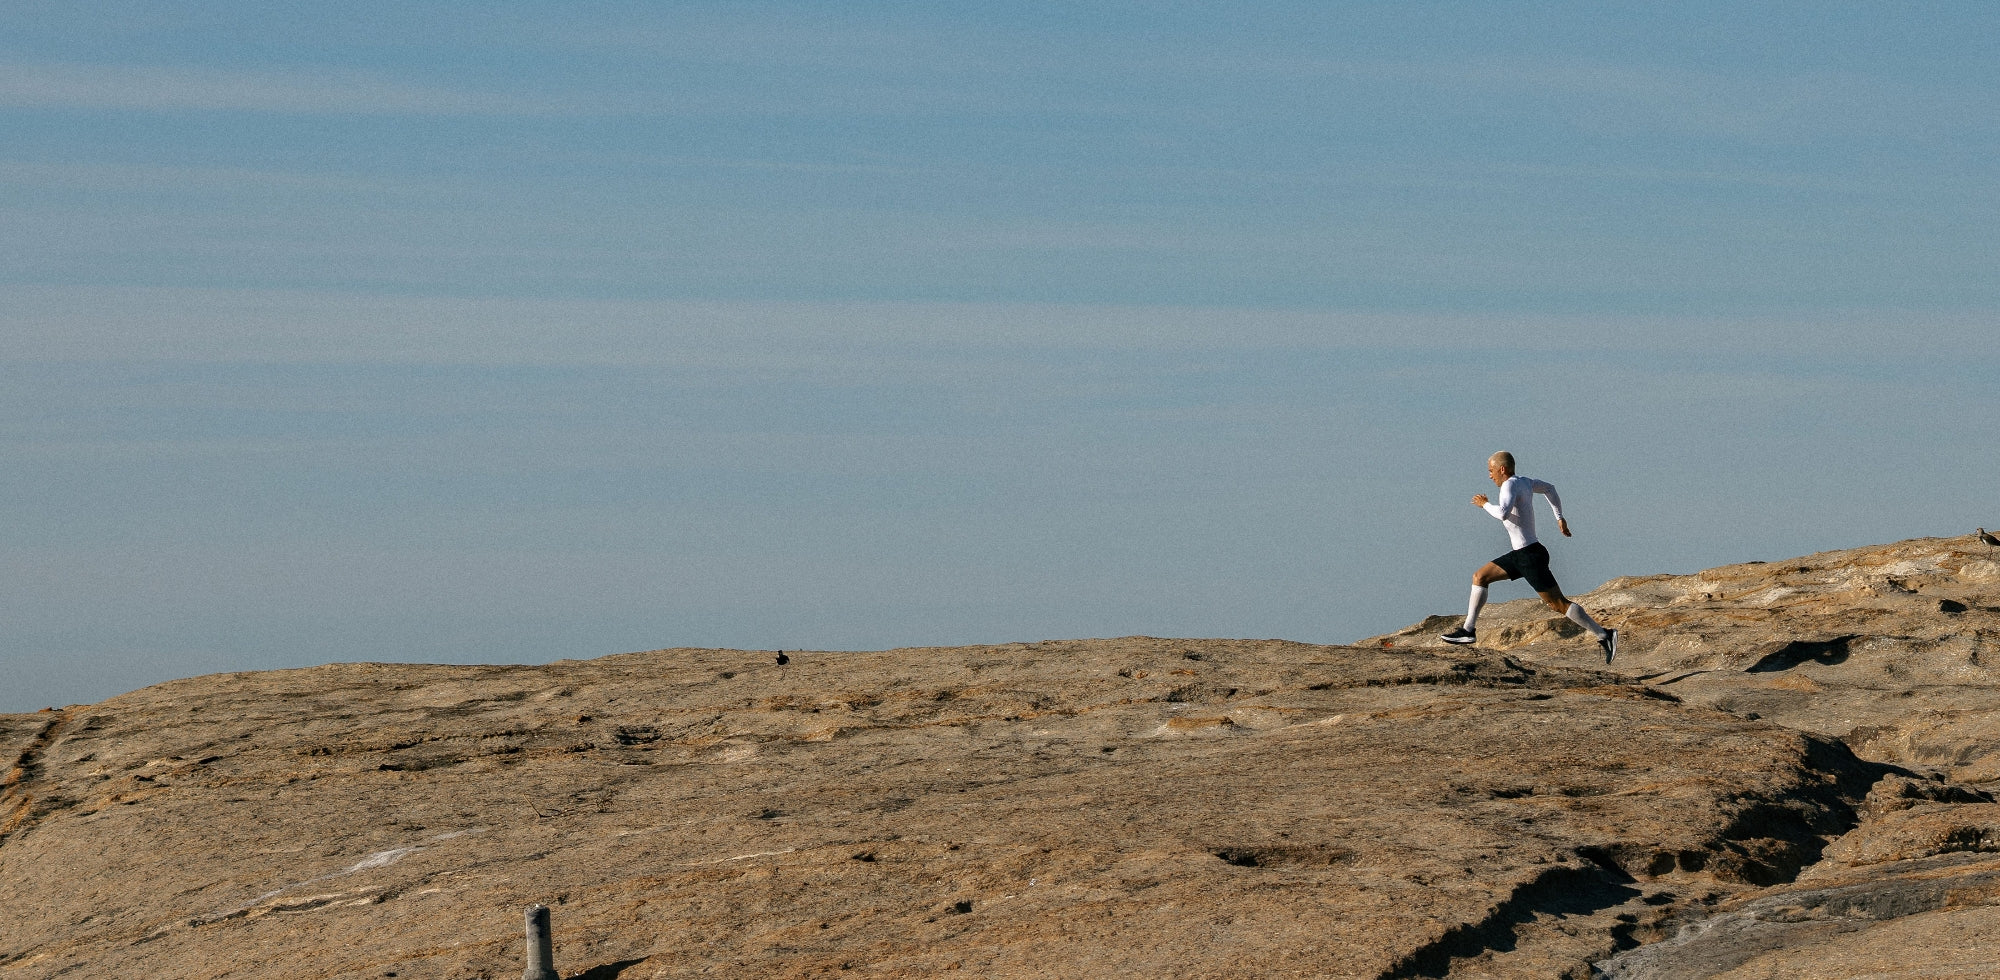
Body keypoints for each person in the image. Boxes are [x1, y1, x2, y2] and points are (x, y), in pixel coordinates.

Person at [1441, 451, 1618, 662]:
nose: (1490, 476)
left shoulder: (1509, 485)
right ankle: (1468, 631)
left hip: (1530, 557)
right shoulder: (1524, 482)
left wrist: (1484, 505)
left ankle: (1604, 635)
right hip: (1521, 555)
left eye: (1491, 471)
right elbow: (1550, 489)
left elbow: (1503, 513)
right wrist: (1559, 518)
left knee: (1558, 604)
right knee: (1480, 577)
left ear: (1502, 469)